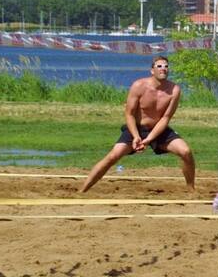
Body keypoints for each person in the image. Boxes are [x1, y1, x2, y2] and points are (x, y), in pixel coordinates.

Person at [80, 56, 195, 193]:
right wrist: (136, 136)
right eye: (159, 66)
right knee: (113, 156)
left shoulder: (174, 90)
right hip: (136, 129)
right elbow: (129, 114)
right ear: (152, 70)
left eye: (166, 66)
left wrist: (149, 139)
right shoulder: (139, 86)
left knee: (186, 152)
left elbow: (165, 118)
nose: (163, 68)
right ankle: (82, 190)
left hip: (158, 130)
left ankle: (191, 190)